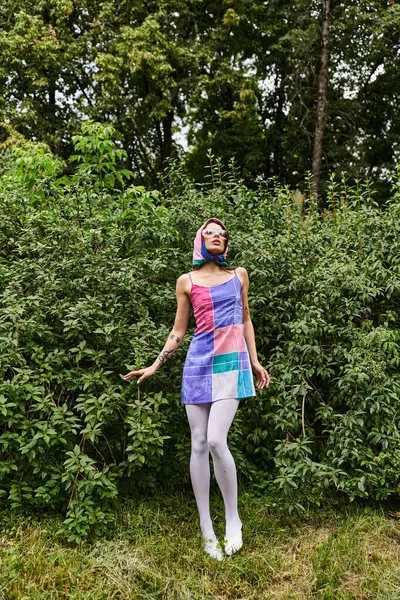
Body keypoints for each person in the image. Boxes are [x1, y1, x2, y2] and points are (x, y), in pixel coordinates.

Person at [124, 218, 270, 560]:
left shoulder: (239, 275)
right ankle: (207, 526)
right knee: (199, 442)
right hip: (197, 365)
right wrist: (155, 364)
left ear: (226, 243)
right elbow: (178, 331)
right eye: (210, 232)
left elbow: (245, 319)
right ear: (199, 241)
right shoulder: (186, 282)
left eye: (222, 234)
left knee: (218, 439)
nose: (217, 236)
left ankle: (233, 521)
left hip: (232, 363)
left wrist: (255, 360)